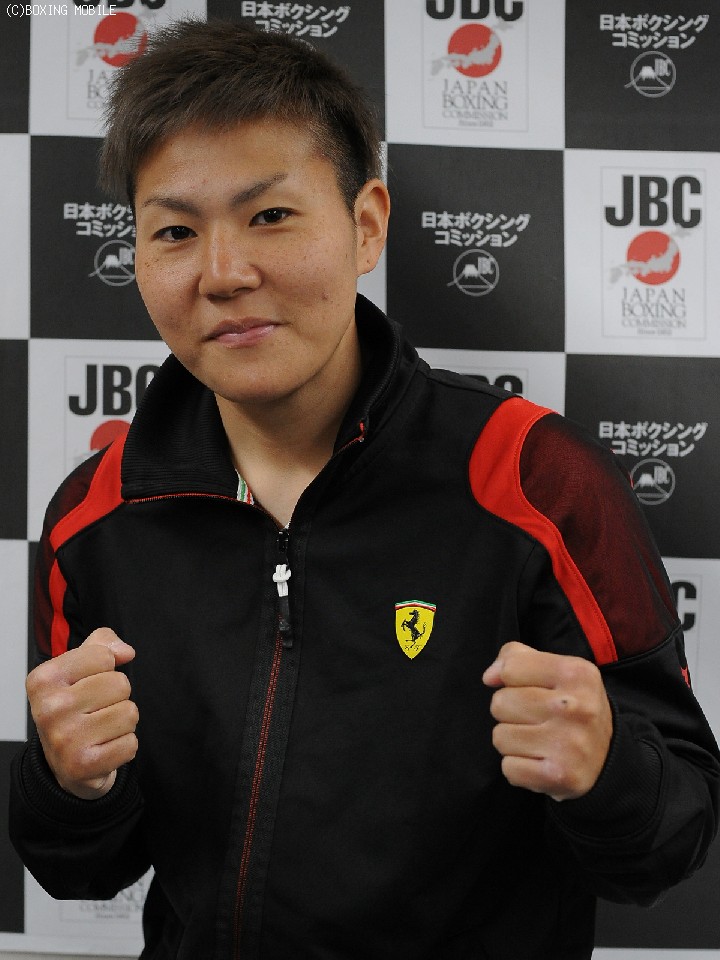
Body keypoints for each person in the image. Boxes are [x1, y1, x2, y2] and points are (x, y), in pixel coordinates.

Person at [9, 18, 719, 960]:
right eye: (175, 231)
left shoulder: (535, 480)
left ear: (367, 223)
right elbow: (78, 869)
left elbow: (674, 837)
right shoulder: (97, 516)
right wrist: (72, 785)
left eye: (270, 216)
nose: (224, 273)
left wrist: (607, 772)